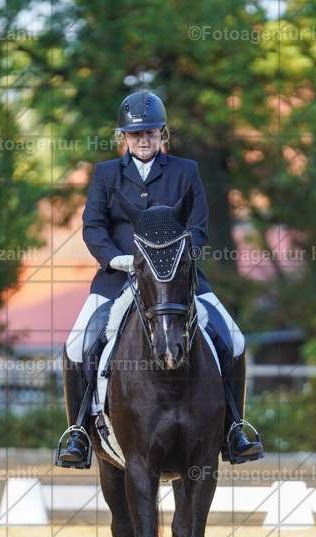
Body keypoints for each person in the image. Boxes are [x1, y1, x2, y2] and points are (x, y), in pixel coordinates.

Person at [57, 91, 262, 467]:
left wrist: (176, 260)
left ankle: (234, 428)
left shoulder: (185, 170)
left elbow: (198, 228)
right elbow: (93, 227)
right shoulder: (105, 174)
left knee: (233, 338)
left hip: (177, 282)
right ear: (124, 137)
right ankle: (78, 433)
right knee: (75, 344)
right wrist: (116, 260)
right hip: (118, 278)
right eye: (135, 134)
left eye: (150, 132)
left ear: (162, 133)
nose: (143, 140)